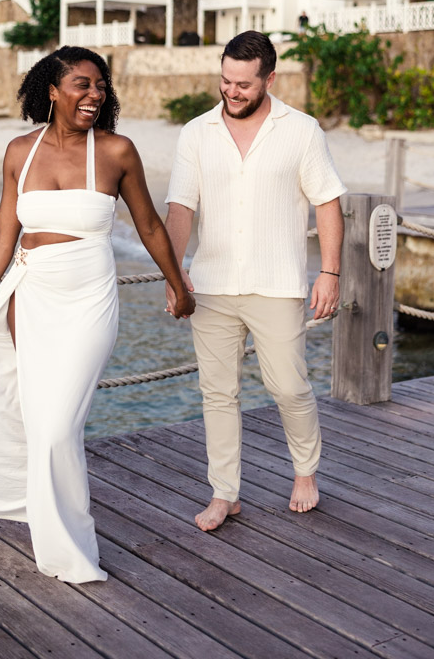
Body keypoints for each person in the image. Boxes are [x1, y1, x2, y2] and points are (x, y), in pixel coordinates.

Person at [0, 45, 194, 582]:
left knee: (57, 428)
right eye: (82, 85)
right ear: (52, 90)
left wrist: (177, 284)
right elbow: (3, 237)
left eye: (100, 86)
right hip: (31, 295)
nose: (95, 95)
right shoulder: (19, 151)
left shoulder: (117, 152)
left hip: (90, 299)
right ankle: (50, 527)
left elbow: (151, 227)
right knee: (40, 422)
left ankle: (67, 546)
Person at [164, 30, 345, 531]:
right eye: (226, 80)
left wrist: (328, 272)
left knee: (288, 387)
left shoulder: (302, 130)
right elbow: (181, 207)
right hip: (212, 285)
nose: (232, 91)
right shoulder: (196, 132)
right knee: (217, 393)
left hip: (278, 283)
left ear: (269, 78)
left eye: (244, 83)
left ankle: (305, 472)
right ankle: (225, 493)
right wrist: (174, 272)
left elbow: (328, 202)